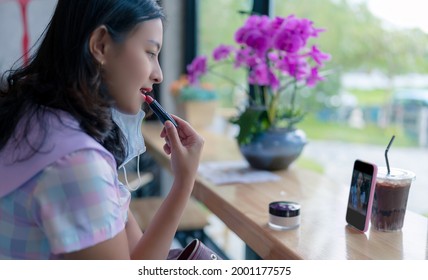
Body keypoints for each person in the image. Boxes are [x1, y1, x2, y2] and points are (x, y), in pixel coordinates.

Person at [0, 0, 204, 260]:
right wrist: (184, 183)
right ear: (101, 46)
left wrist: (183, 181)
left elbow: (134, 258)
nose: (158, 75)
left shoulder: (37, 116)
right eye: (150, 53)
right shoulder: (76, 164)